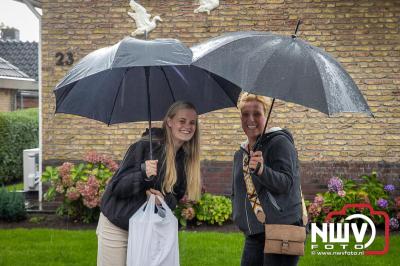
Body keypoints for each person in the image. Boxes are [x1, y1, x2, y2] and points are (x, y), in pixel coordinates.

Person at [97, 101, 201, 266]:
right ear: (169, 122)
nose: (187, 126)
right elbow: (117, 188)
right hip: (118, 223)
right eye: (182, 121)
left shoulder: (184, 158)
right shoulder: (145, 146)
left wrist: (164, 201)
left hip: (145, 229)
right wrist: (143, 174)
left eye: (192, 122)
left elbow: (176, 196)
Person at [232, 93, 303, 266]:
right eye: (245, 114)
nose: (251, 119)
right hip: (255, 232)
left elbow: (286, 183)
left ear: (266, 116)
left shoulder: (279, 143)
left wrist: (263, 170)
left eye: (257, 113)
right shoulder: (240, 153)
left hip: (281, 229)